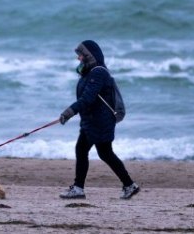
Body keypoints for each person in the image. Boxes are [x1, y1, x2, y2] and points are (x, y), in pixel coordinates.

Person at [57, 40, 140, 200]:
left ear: (89, 55)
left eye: (80, 55)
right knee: (92, 151)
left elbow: (87, 98)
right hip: (91, 120)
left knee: (101, 152)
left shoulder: (98, 72)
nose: (78, 58)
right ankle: (127, 185)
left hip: (100, 121)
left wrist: (68, 113)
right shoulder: (89, 73)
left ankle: (81, 188)